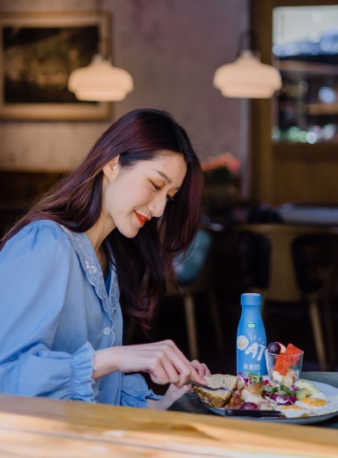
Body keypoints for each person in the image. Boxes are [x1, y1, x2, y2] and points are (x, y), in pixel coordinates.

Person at [0, 108, 210, 410]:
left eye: (170, 195)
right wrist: (112, 358)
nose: (160, 209)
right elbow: (5, 377)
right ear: (112, 164)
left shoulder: (109, 260)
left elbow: (101, 391)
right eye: (155, 185)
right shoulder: (45, 244)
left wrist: (166, 402)